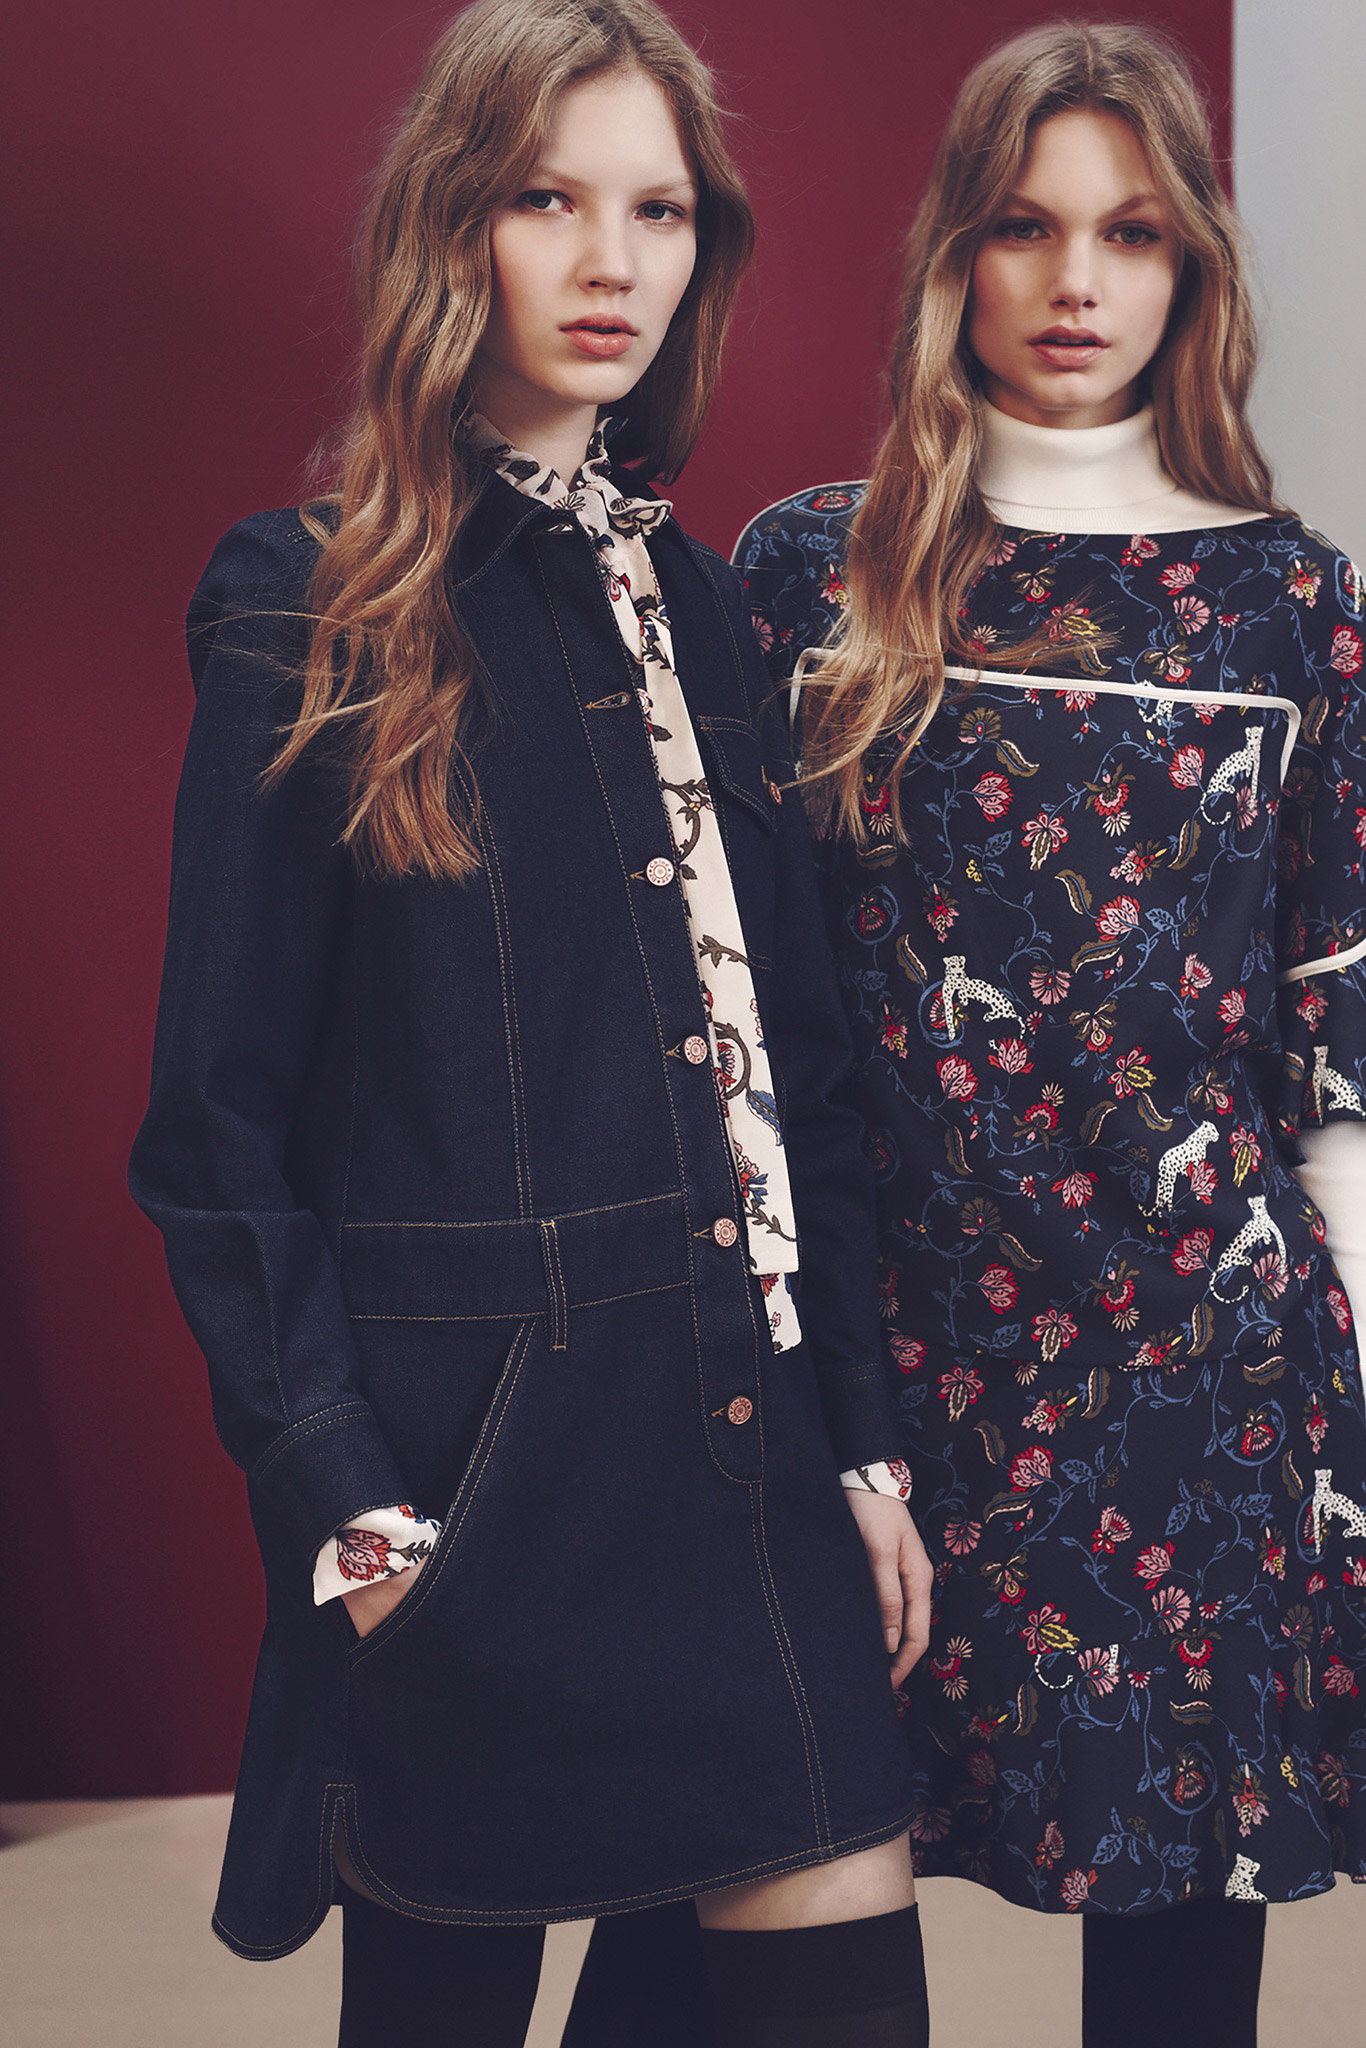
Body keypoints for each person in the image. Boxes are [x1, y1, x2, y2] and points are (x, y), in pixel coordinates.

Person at [128, 2, 935, 2042]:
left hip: (744, 1457)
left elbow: (800, 1075)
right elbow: (215, 1128)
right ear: (449, 226)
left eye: (657, 210)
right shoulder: (308, 597)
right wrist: (347, 1506)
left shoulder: (711, 605)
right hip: (478, 1493)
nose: (608, 261)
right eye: (544, 200)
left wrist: (862, 1446)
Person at [730, 20, 1366, 2048]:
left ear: (1191, 267)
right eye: (1023, 227)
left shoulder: (1287, 602)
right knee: (777, 1907)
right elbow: (727, 987)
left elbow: (1334, 1021)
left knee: (1172, 1959)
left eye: (1129, 232)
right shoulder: (808, 571)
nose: (1075, 281)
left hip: (1196, 1373)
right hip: (877, 1361)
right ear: (955, 254)